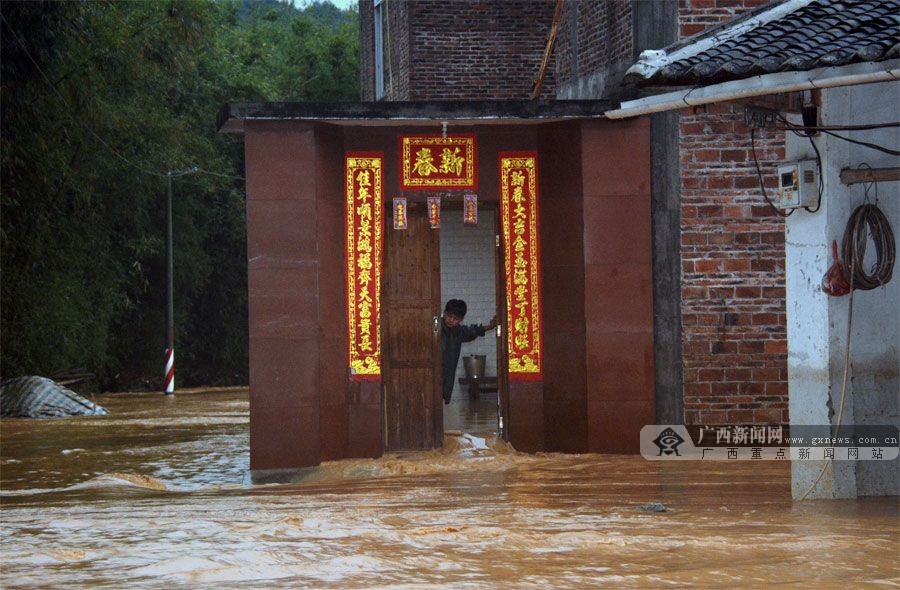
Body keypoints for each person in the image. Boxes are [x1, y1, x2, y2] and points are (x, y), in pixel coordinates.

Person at [440, 299, 497, 405]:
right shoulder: (437, 328)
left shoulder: (458, 331)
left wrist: (490, 327)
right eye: (449, 316)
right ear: (444, 313)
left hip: (446, 377)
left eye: (455, 318)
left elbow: (472, 331)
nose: (451, 320)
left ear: (461, 319)